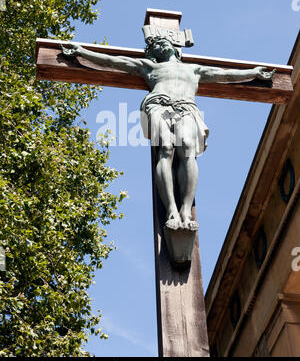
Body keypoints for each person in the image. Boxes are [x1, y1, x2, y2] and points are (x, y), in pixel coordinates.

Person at [61, 37, 275, 231]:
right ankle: (171, 208)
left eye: (164, 42)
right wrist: (82, 51)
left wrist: (254, 73)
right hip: (158, 105)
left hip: (187, 108)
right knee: (165, 149)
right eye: (155, 45)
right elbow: (112, 61)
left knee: (188, 150)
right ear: (152, 53)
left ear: (174, 48)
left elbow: (225, 74)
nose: (160, 44)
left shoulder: (194, 69)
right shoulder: (149, 67)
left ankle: (185, 208)